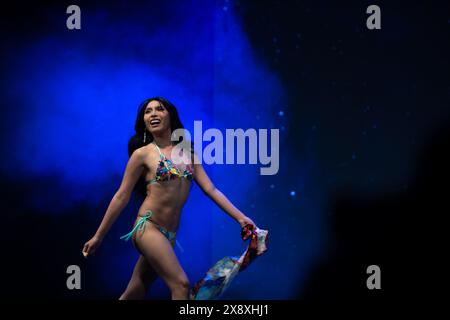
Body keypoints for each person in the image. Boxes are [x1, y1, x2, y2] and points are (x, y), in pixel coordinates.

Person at [82, 97, 257, 300]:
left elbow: (211, 190)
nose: (153, 114)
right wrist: (98, 236)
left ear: (170, 116)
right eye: (148, 111)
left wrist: (241, 218)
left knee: (135, 291)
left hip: (169, 236)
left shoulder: (188, 152)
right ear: (144, 121)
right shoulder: (142, 155)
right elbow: (121, 196)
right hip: (147, 228)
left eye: (159, 109)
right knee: (181, 285)